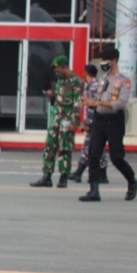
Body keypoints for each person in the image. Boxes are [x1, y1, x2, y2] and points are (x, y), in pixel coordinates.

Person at [79, 44, 137, 202]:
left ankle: (132, 181)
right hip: (99, 120)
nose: (103, 63)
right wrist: (88, 102)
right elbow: (98, 99)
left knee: (116, 157)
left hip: (114, 121)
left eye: (106, 60)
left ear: (114, 60)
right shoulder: (102, 80)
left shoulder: (124, 80)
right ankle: (94, 191)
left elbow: (120, 103)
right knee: (94, 154)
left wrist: (97, 103)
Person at [30, 55, 82, 189]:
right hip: (56, 119)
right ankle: (46, 176)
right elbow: (58, 100)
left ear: (65, 67)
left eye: (58, 69)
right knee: (49, 146)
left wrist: (74, 122)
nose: (56, 72)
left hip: (67, 120)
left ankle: (63, 177)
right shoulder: (60, 81)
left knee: (65, 149)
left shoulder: (76, 81)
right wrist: (51, 96)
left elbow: (77, 103)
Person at [70, 63, 109, 184]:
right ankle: (101, 175)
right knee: (96, 149)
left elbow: (93, 106)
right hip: (96, 122)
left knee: (88, 148)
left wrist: (87, 123)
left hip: (94, 122)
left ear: (86, 73)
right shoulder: (91, 85)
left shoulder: (93, 87)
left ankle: (80, 173)